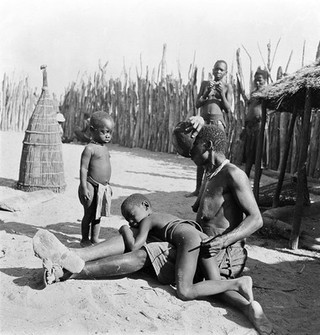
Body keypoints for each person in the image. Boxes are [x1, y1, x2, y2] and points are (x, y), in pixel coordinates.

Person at [33, 122, 274, 335]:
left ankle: (74, 269)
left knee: (145, 253)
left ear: (208, 145)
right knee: (141, 235)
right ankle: (76, 255)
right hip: (201, 245)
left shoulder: (234, 174)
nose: (189, 153)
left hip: (223, 253)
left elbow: (256, 219)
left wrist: (223, 241)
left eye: (194, 148)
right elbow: (184, 139)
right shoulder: (211, 174)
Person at [119, 193, 254, 302]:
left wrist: (125, 229)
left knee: (184, 291)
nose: (131, 222)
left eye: (131, 216)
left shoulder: (148, 219)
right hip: (204, 238)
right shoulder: (164, 217)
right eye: (127, 220)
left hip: (189, 240)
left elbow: (134, 246)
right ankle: (247, 303)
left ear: (145, 205)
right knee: (216, 284)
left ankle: (238, 283)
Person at [186, 60, 233, 197]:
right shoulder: (205, 84)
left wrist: (222, 94)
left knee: (217, 155)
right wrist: (206, 93)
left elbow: (228, 109)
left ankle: (213, 190)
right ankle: (198, 189)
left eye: (221, 70)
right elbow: (198, 103)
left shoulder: (228, 87)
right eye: (216, 69)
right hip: (204, 122)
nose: (218, 72)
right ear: (212, 70)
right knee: (200, 154)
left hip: (217, 123)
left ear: (225, 72)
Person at [78, 111, 114, 247]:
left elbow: (105, 167)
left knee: (98, 215)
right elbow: (83, 169)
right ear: (92, 130)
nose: (107, 135)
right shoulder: (89, 148)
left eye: (110, 132)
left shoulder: (104, 148)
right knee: (89, 214)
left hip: (102, 187)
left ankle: (94, 238)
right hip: (90, 185)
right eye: (104, 132)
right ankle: (84, 239)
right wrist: (83, 187)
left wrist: (108, 186)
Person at [241, 67, 269, 178]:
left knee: (259, 156)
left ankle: (256, 182)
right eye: (255, 80)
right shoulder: (253, 94)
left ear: (265, 80)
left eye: (260, 80)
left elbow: (274, 109)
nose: (257, 82)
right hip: (250, 127)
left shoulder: (268, 93)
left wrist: (262, 117)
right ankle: (245, 179)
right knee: (249, 154)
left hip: (260, 127)